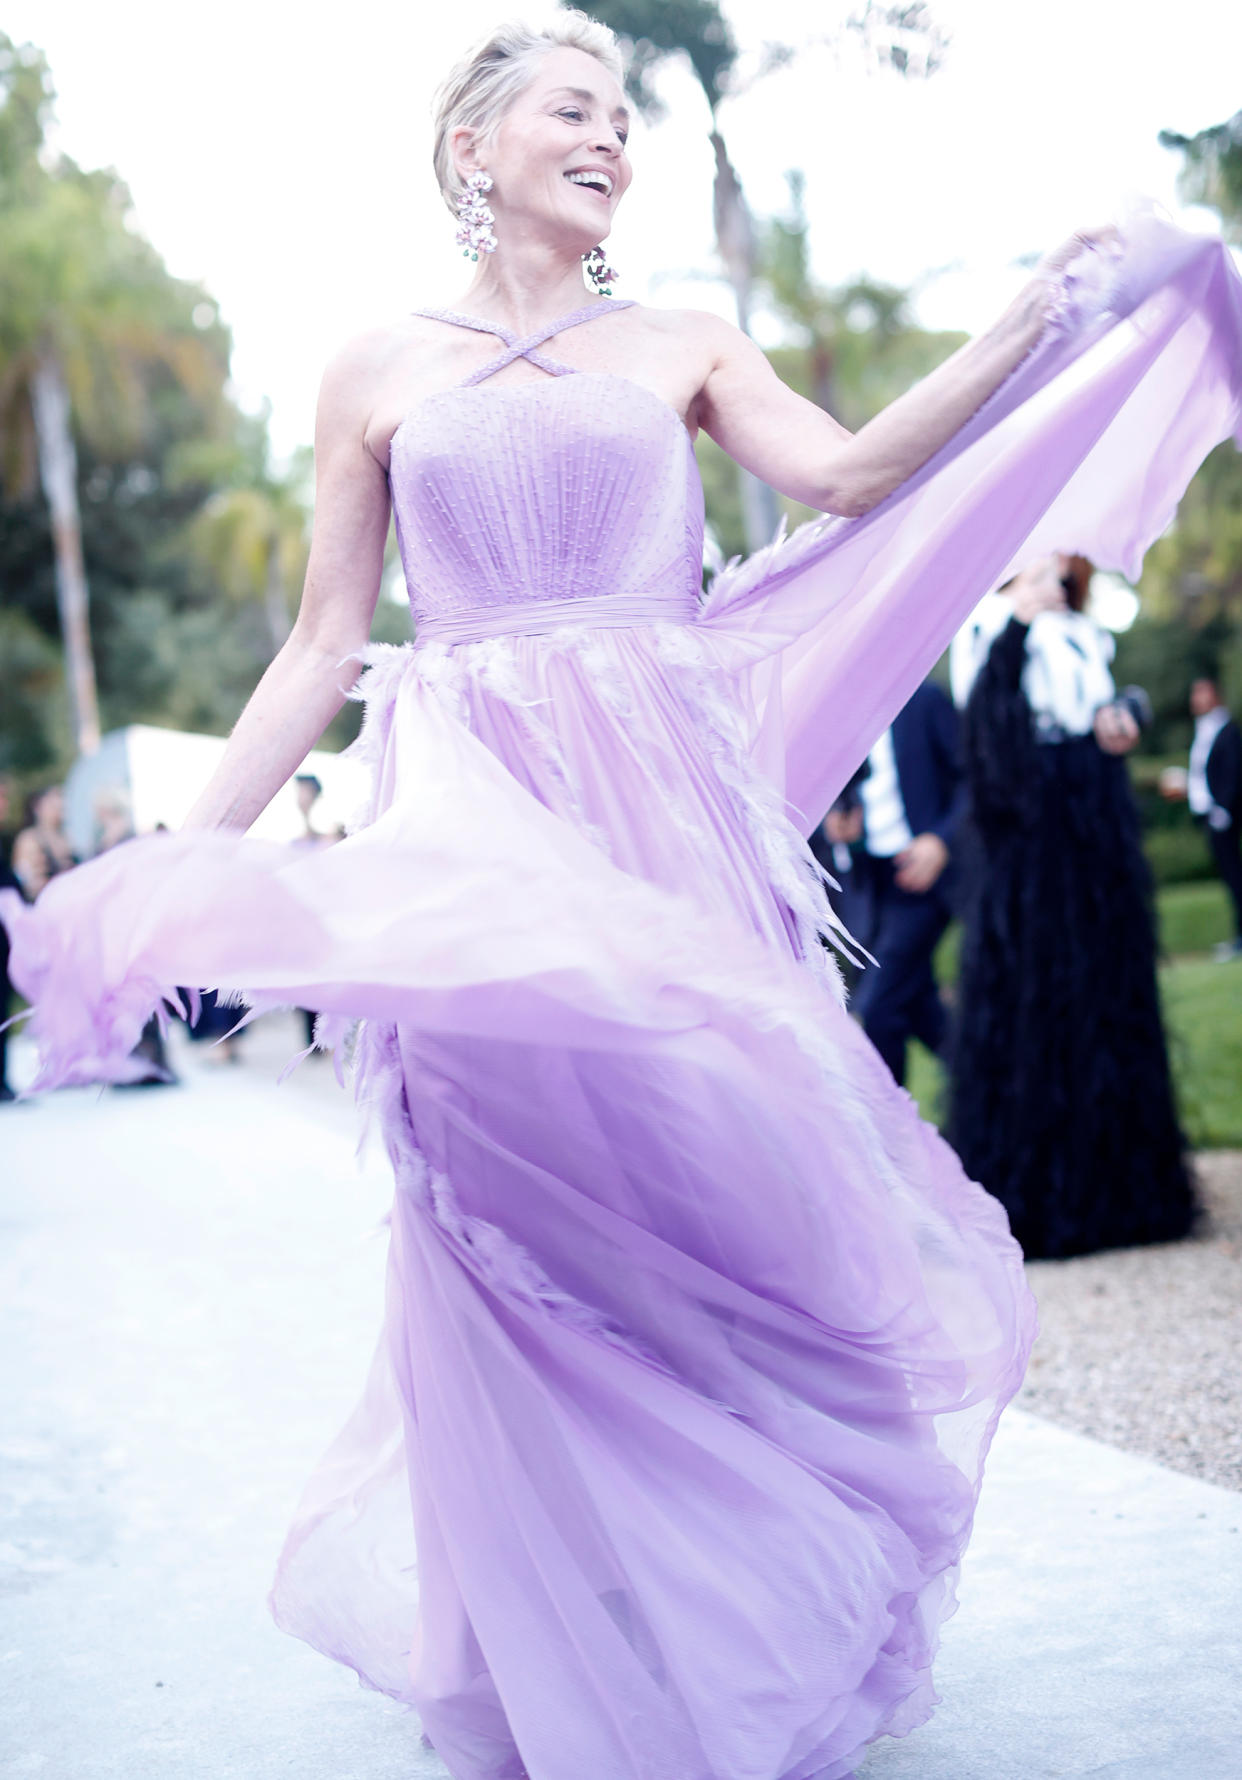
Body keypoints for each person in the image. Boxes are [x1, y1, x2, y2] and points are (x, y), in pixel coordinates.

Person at [2, 17, 1240, 1780]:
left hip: (667, 832)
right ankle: (572, 1650)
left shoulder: (686, 337)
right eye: (574, 111)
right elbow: (318, 652)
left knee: (707, 1214)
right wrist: (183, 855)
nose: (610, 141)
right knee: (513, 1234)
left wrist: (1038, 309)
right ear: (473, 148)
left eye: (623, 118)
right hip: (478, 836)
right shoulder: (370, 368)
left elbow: (853, 476)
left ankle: (743, 1616)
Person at [947, 554, 1197, 1260]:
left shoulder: (1087, 633)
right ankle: (1040, 1195)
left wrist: (1129, 712)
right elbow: (988, 732)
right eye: (1041, 563)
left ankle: (1123, 1191)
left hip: (1095, 819)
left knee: (1107, 993)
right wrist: (1020, 620)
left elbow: (1104, 707)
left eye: (1060, 565)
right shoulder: (987, 623)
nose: (1055, 575)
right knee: (1039, 997)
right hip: (1033, 831)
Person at [817, 679, 964, 1085]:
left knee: (878, 1007)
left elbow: (972, 780)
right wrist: (838, 823)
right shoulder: (835, 706)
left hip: (925, 881)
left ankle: (894, 1129)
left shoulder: (925, 698)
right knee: (917, 1009)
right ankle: (1000, 1091)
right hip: (870, 882)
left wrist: (941, 839)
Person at [1163, 676, 1242, 959]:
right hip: (1210, 815)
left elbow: (1231, 773)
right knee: (1231, 877)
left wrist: (1223, 810)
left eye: (1202, 692)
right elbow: (1204, 774)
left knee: (1236, 877)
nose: (1196, 698)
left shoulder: (1226, 730)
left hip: (1225, 817)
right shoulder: (1204, 730)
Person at [11, 785, 77, 901]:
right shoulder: (29, 839)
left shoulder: (65, 836)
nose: (60, 805)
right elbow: (27, 881)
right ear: (38, 807)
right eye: (53, 805)